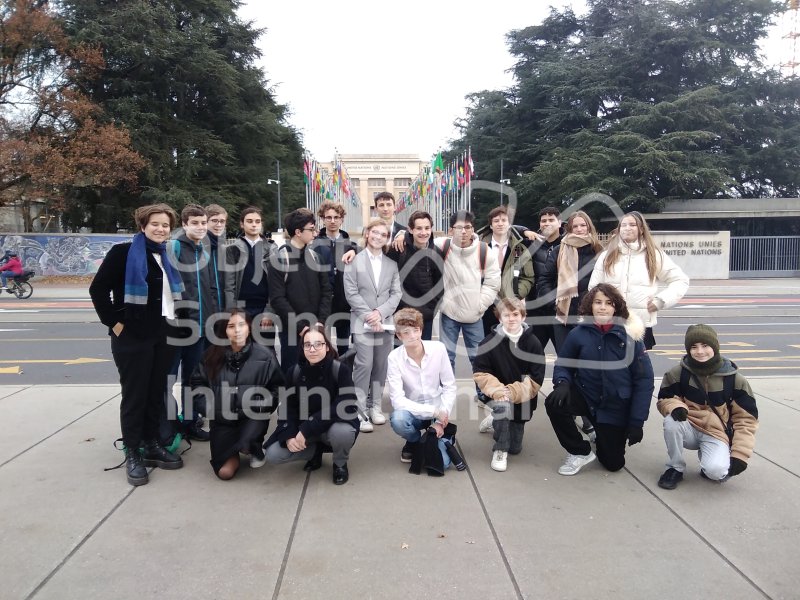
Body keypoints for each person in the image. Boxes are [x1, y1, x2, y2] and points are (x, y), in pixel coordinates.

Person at [89, 203, 185, 486]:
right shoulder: (123, 253)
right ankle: (132, 451)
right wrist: (115, 324)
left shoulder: (164, 255)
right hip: (132, 338)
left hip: (163, 335)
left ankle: (152, 443)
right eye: (155, 224)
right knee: (135, 395)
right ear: (143, 225)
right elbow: (98, 290)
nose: (161, 229)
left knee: (155, 392)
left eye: (166, 225)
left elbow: (168, 299)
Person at [545, 283, 654, 476]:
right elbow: (564, 363)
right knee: (554, 403)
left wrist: (637, 421)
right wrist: (562, 383)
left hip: (615, 407)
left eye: (608, 303)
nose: (602, 307)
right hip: (587, 397)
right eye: (598, 302)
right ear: (590, 306)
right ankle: (580, 451)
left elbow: (644, 381)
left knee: (613, 464)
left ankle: (601, 435)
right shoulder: (578, 334)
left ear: (616, 307)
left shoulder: (631, 338)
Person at [656, 324, 759, 490]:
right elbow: (664, 399)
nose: (700, 351)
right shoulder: (678, 373)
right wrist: (675, 406)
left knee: (717, 472)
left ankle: (708, 460)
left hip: (716, 433)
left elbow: (746, 419)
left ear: (715, 347)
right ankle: (674, 468)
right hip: (688, 425)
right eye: (694, 347)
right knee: (671, 422)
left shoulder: (735, 379)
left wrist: (740, 454)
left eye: (705, 345)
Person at [190, 309, 284, 480]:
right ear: (224, 331)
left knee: (245, 445)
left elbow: (277, 388)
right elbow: (197, 386)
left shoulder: (265, 355)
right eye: (231, 326)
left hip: (252, 417)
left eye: (242, 325)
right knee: (225, 473)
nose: (237, 330)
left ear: (249, 327)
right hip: (222, 420)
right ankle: (237, 450)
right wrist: (211, 409)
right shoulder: (211, 356)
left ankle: (254, 448)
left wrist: (260, 405)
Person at [264, 326, 359, 485]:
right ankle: (315, 453)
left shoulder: (340, 369)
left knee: (343, 433)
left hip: (331, 426)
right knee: (274, 454)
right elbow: (287, 407)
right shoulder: (293, 372)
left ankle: (340, 462)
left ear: (327, 347)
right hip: (305, 429)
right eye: (307, 345)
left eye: (318, 344)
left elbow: (345, 403)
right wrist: (289, 435)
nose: (312, 349)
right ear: (302, 348)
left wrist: (307, 428)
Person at [588, 211, 689, 350]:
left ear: (641, 229)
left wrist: (661, 301)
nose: (627, 228)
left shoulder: (654, 255)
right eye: (623, 225)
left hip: (640, 325)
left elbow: (680, 280)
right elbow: (594, 288)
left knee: (639, 369)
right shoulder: (607, 256)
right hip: (610, 323)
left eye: (632, 224)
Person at [473, 298, 545, 472]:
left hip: (522, 398)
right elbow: (480, 373)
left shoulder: (533, 343)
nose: (511, 318)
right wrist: (499, 391)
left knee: (516, 449)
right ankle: (499, 449)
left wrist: (511, 392)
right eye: (506, 315)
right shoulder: (488, 343)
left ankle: (494, 420)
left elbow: (536, 378)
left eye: (515, 314)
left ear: (523, 317)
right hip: (498, 395)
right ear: (499, 318)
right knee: (503, 408)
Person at [343, 219, 402, 432]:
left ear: (387, 238)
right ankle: (359, 411)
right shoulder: (353, 261)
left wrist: (381, 313)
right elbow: (351, 293)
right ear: (367, 233)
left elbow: (396, 293)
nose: (378, 237)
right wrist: (369, 315)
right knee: (364, 365)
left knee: (381, 365)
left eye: (383, 234)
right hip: (362, 322)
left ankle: (375, 406)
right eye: (374, 232)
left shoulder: (391, 264)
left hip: (385, 323)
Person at [167, 204, 218, 442]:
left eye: (203, 223)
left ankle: (189, 420)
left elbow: (209, 290)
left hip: (201, 326)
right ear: (184, 224)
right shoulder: (174, 247)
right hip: (178, 326)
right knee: (168, 377)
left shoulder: (203, 252)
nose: (200, 227)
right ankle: (167, 424)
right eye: (195, 223)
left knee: (193, 377)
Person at [552, 210, 604, 439]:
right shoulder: (560, 249)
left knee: (587, 367)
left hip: (589, 316)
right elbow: (545, 278)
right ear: (569, 229)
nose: (580, 229)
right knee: (567, 363)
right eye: (575, 226)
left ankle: (587, 416)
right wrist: (553, 298)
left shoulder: (599, 251)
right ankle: (568, 408)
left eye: (583, 225)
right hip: (565, 314)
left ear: (589, 227)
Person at [387, 308, 458, 470]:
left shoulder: (438, 349)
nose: (412, 336)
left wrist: (440, 420)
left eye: (416, 330)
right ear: (398, 336)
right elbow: (397, 400)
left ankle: (440, 435)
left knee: (442, 464)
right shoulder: (394, 358)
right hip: (413, 412)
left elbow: (449, 385)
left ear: (421, 330)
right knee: (398, 419)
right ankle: (414, 441)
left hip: (439, 412)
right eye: (406, 332)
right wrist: (433, 411)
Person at [436, 210, 501, 373]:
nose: (463, 231)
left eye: (468, 227)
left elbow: (493, 283)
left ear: (473, 229)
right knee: (446, 358)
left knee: (478, 358)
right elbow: (419, 237)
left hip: (474, 314)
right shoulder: (442, 246)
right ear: (451, 230)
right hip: (449, 313)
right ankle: (446, 394)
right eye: (459, 227)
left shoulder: (484, 251)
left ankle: (483, 394)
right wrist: (402, 233)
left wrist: (480, 305)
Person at [269, 208, 332, 372]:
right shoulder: (279, 259)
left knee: (318, 372)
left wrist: (320, 322)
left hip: (317, 327)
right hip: (291, 331)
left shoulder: (316, 257)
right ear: (298, 232)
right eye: (311, 229)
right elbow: (277, 299)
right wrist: (300, 327)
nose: (315, 233)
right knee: (292, 373)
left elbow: (326, 291)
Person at [386, 210, 443, 340]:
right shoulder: (398, 249)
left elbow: (439, 285)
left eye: (427, 228)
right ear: (410, 230)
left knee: (422, 354)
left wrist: (429, 311)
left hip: (424, 317)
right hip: (400, 314)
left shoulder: (436, 252)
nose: (423, 232)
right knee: (399, 354)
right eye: (419, 228)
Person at [224, 207, 276, 346]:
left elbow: (276, 284)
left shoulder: (271, 248)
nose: (254, 224)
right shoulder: (232, 249)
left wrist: (269, 311)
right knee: (241, 350)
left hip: (263, 307)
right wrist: (233, 312)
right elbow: (229, 285)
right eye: (249, 221)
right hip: (241, 307)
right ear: (242, 224)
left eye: (257, 221)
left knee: (266, 352)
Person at [478, 205, 534, 333]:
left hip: (511, 304)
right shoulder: (480, 247)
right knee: (487, 341)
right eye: (496, 221)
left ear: (509, 224)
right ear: (491, 225)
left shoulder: (520, 249)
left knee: (511, 342)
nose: (500, 224)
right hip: (486, 303)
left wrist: (516, 293)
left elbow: (528, 277)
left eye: (504, 220)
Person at [312, 200, 358, 355]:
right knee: (321, 342)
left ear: (341, 219)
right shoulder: (314, 245)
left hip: (343, 301)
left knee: (343, 344)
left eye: (336, 217)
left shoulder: (351, 245)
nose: (332, 221)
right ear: (323, 219)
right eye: (328, 217)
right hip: (321, 302)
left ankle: (343, 375)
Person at [526, 207, 564, 352]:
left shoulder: (567, 244)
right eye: (543, 221)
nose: (547, 223)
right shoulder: (531, 244)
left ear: (559, 223)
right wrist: (525, 230)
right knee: (532, 356)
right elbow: (510, 230)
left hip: (558, 308)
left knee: (564, 354)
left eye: (551, 220)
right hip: (535, 308)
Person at [205, 203, 229, 311]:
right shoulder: (198, 248)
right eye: (214, 221)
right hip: (207, 308)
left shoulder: (226, 249)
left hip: (224, 308)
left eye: (222, 221)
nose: (219, 225)